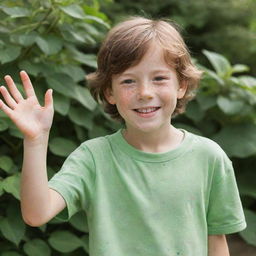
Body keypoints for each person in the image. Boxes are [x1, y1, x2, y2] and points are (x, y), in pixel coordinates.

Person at [0, 16, 246, 256]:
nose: (145, 93)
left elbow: (217, 242)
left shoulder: (210, 157)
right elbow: (36, 214)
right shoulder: (93, 157)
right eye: (129, 81)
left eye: (159, 78)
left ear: (181, 85)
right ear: (109, 92)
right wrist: (36, 141)